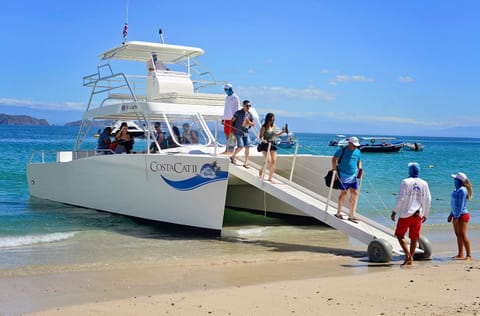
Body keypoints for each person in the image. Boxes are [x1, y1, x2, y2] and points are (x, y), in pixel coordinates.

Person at [391, 162, 431, 266]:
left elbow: (401, 198)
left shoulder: (405, 182)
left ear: (410, 171)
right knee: (414, 237)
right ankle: (411, 258)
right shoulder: (424, 183)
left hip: (406, 214)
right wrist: (426, 213)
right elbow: (428, 199)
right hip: (418, 214)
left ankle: (408, 255)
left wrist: (395, 211)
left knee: (399, 235)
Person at [332, 137, 363, 222]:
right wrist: (335, 170)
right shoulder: (342, 150)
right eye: (353, 145)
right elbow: (334, 159)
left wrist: (360, 168)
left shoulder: (357, 151)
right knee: (344, 193)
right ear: (349, 143)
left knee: (355, 193)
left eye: (356, 145)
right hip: (343, 174)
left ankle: (351, 215)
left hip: (353, 176)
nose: (355, 147)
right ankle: (338, 213)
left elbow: (359, 161)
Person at [448, 172, 473, 260]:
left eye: (455, 179)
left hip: (462, 215)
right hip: (456, 215)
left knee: (462, 234)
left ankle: (469, 255)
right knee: (458, 234)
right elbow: (454, 204)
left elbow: (461, 205)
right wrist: (451, 214)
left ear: (459, 181)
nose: (454, 180)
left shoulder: (463, 190)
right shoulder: (456, 190)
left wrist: (457, 216)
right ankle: (460, 253)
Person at [258, 113, 286, 182]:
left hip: (273, 144)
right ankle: (261, 170)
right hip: (265, 145)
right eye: (271, 119)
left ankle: (270, 178)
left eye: (273, 119)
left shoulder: (274, 126)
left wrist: (282, 132)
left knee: (273, 161)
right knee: (268, 161)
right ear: (267, 119)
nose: (272, 121)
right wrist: (263, 140)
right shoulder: (264, 127)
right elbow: (260, 136)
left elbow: (276, 135)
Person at [229, 100, 254, 168]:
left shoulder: (250, 114)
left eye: (249, 106)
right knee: (240, 146)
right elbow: (232, 121)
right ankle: (233, 156)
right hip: (238, 132)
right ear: (243, 106)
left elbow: (253, 124)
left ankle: (245, 163)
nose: (248, 107)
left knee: (247, 147)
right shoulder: (238, 113)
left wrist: (249, 122)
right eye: (247, 106)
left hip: (245, 132)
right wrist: (231, 131)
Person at [221, 83, 241, 154]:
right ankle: (227, 150)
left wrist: (236, 118)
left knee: (232, 135)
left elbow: (237, 109)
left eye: (226, 89)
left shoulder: (235, 97)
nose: (225, 91)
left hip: (233, 119)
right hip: (226, 118)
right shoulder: (227, 98)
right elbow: (226, 109)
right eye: (224, 89)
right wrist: (223, 118)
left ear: (230, 89)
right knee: (227, 134)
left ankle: (231, 150)